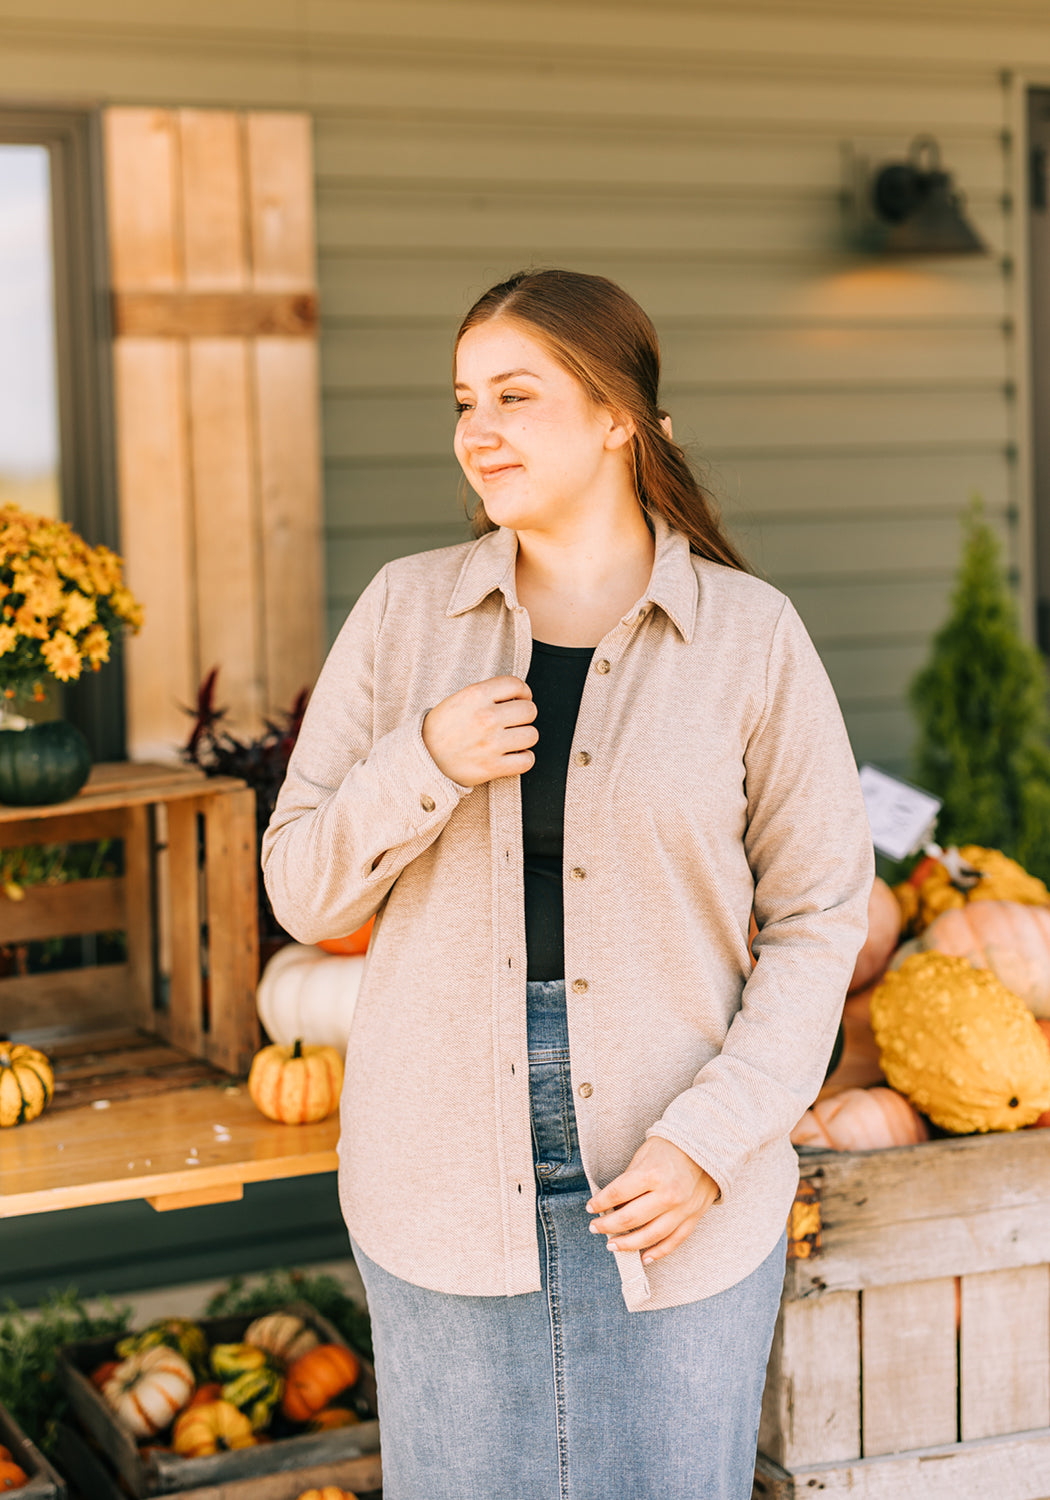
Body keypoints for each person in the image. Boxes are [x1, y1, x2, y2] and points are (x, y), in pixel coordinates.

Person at [261, 268, 874, 1500]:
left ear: (616, 417)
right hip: (435, 1163)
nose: (476, 430)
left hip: (673, 1165)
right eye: (463, 400)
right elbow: (302, 895)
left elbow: (820, 919)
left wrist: (710, 1144)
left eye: (516, 396)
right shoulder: (403, 617)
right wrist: (423, 762)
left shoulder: (751, 638)